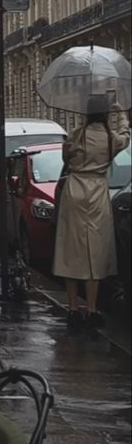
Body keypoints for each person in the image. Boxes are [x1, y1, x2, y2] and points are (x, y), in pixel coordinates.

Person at [53, 96, 130, 330]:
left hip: (74, 189)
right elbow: (125, 137)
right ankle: (93, 308)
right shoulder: (110, 138)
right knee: (95, 250)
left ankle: (73, 309)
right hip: (97, 190)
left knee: (71, 248)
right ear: (105, 114)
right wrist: (122, 113)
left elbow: (65, 156)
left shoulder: (77, 135)